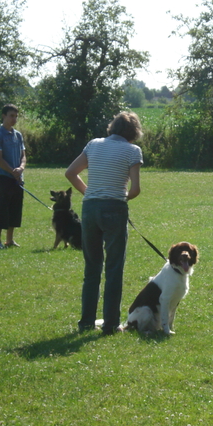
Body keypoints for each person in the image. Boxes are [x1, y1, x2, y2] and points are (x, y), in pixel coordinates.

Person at [65, 112, 144, 335]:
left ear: (112, 127)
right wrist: (121, 198)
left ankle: (86, 323)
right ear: (133, 132)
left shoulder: (93, 144)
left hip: (89, 209)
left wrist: (89, 192)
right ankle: (110, 325)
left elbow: (71, 173)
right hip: (114, 209)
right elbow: (136, 189)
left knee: (92, 268)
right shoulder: (132, 151)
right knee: (114, 268)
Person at [0, 104, 26, 249]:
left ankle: (9, 240)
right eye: (11, 116)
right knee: (2, 208)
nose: (14, 119)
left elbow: (23, 155)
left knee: (15, 209)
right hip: (5, 178)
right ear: (3, 116)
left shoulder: (18, 135)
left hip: (18, 178)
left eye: (16, 116)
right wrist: (13, 172)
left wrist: (21, 168)